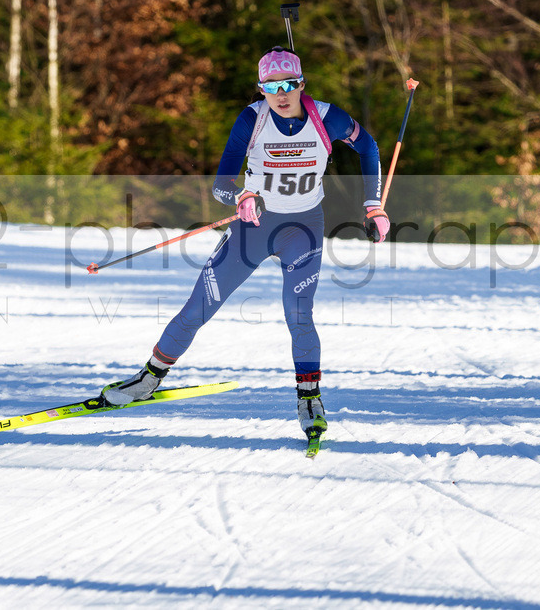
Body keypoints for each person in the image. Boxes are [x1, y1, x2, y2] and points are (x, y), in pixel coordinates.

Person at [101, 46, 389, 438]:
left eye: (289, 84)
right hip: (251, 229)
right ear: (261, 89)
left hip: (302, 229)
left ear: (302, 84)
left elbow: (368, 146)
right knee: (198, 307)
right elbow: (221, 185)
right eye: (270, 87)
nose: (281, 93)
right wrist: (241, 197)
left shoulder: (327, 117)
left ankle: (309, 398)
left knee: (298, 314)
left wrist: (373, 205)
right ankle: (148, 378)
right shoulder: (251, 120)